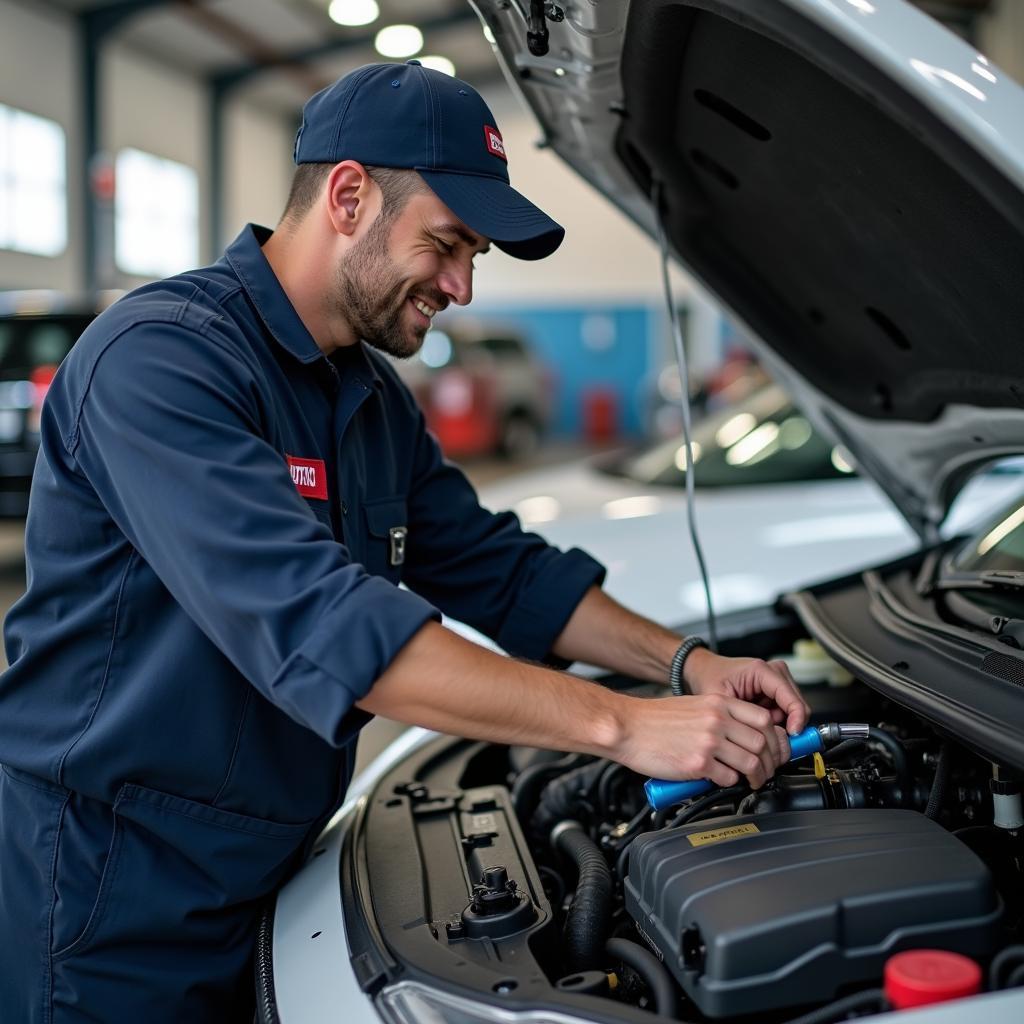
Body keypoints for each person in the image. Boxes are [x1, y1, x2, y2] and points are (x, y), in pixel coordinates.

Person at [0, 62, 808, 1022]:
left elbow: (504, 572)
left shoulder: (369, 399)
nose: (462, 287)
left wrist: (685, 662)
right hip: (112, 897)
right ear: (347, 196)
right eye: (447, 244)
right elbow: (330, 631)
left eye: (476, 257)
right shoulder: (162, 361)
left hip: (269, 874)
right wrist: (625, 725)